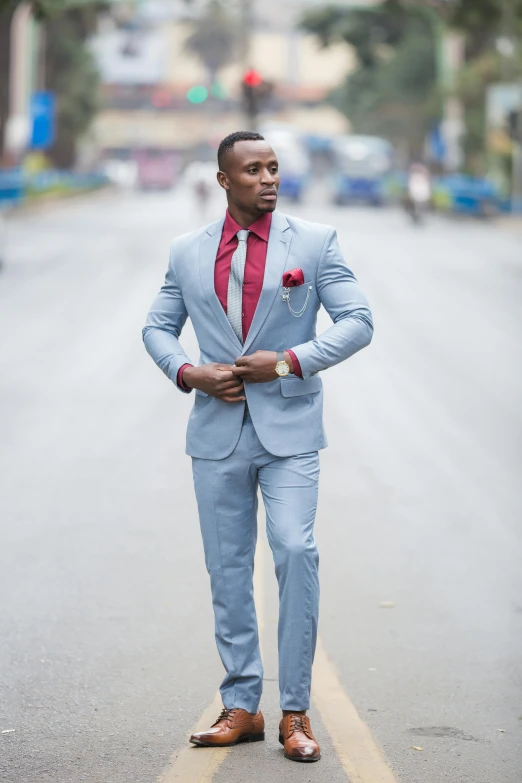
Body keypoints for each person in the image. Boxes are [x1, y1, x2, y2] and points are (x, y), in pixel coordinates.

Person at [142, 131, 373, 763]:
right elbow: (158, 326)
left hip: (291, 431)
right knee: (227, 571)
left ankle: (295, 712)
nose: (268, 179)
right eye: (253, 170)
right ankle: (243, 705)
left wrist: (292, 361)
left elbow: (359, 322)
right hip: (216, 435)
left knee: (297, 550)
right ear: (224, 180)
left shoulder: (316, 243)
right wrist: (189, 374)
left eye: (273, 168)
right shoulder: (187, 252)